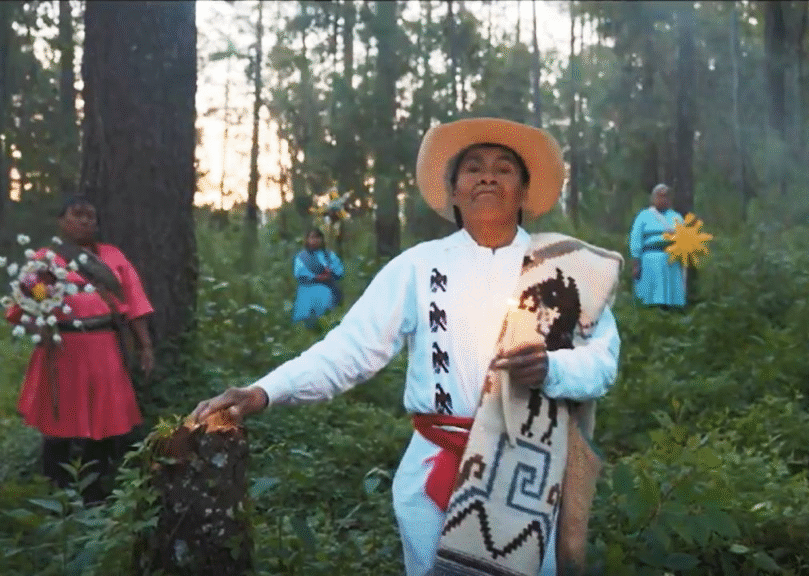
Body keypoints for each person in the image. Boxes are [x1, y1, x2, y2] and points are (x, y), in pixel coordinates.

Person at [190, 117, 622, 576]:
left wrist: (552, 369)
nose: (488, 176)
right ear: (454, 189)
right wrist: (264, 391)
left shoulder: (566, 271)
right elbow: (349, 349)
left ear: (523, 191)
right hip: (435, 473)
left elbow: (602, 359)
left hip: (527, 478)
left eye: (504, 168)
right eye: (473, 167)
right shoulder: (418, 267)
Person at [4, 195, 155, 503]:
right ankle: (57, 493)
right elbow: (21, 306)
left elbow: (134, 302)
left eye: (91, 216)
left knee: (105, 422)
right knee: (59, 421)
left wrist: (145, 346)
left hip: (106, 349)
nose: (86, 221)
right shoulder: (45, 259)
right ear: (62, 221)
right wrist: (40, 325)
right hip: (62, 351)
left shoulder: (113, 256)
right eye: (78, 214)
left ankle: (95, 495)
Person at [629, 183, 687, 309]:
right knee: (650, 295)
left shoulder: (676, 217)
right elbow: (636, 239)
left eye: (666, 196)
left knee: (670, 297)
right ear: (653, 198)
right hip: (650, 259)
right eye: (659, 196)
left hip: (672, 260)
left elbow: (685, 239)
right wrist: (635, 263)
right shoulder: (643, 216)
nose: (663, 199)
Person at [291, 228, 344, 327]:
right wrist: (317, 277)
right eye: (312, 237)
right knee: (305, 308)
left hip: (328, 286)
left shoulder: (329, 255)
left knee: (326, 301)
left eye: (317, 237)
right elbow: (300, 275)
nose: (315, 240)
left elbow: (338, 272)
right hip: (307, 287)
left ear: (322, 239)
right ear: (307, 240)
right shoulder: (301, 257)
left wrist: (329, 274)